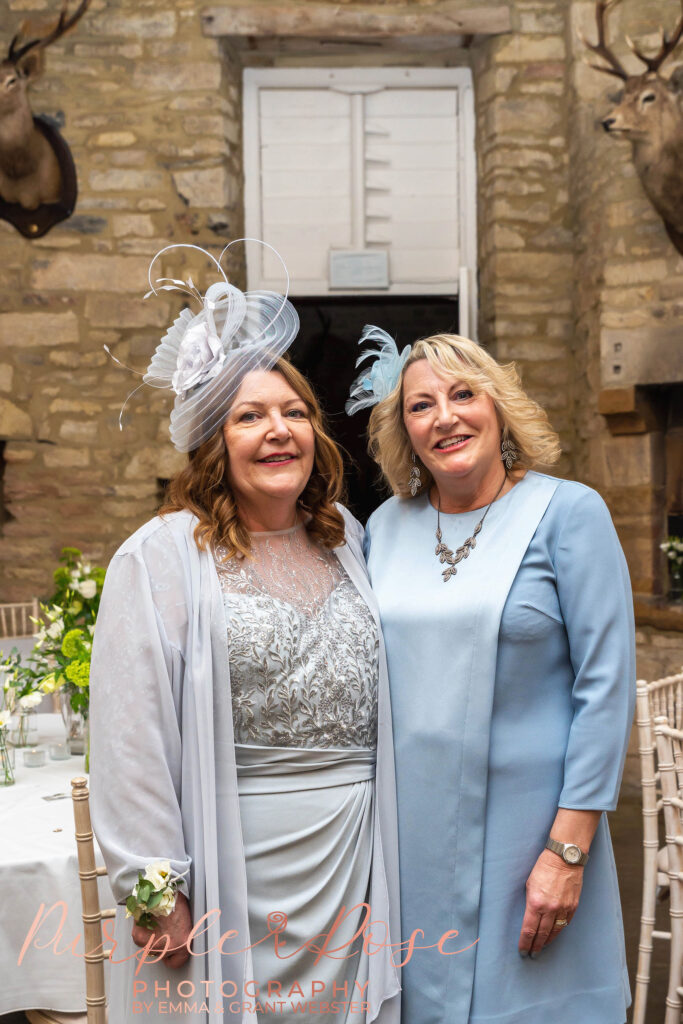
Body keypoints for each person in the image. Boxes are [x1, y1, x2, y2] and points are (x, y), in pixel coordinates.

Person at [89, 245, 401, 1024]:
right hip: (235, 864)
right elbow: (131, 744)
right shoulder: (158, 556)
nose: (278, 432)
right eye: (249, 416)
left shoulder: (350, 541)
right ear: (212, 440)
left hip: (356, 861)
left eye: (294, 412)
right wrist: (155, 893)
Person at [347, 328, 636, 1024]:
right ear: (403, 432)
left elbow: (605, 688)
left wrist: (566, 852)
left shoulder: (567, 513)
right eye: (420, 406)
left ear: (498, 407)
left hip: (531, 834)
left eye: (462, 394)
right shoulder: (383, 527)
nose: (444, 417)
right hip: (410, 839)